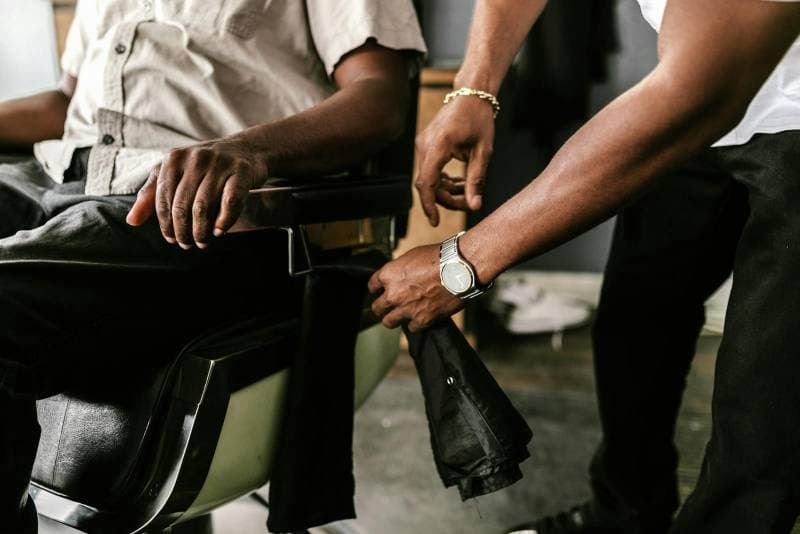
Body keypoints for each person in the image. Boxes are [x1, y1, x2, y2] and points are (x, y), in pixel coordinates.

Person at [369, 0, 800, 532]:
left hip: (753, 104)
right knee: (635, 316)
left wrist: (461, 264)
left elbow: (698, 95)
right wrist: (473, 90)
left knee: (764, 404)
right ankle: (623, 515)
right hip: (723, 106)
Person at [0, 2, 425, 532]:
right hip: (55, 176)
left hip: (189, 209)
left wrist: (248, 149)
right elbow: (68, 102)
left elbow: (379, 99)